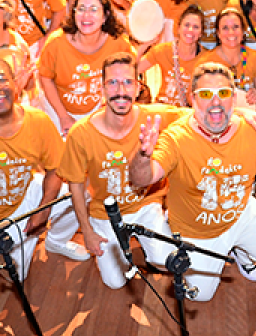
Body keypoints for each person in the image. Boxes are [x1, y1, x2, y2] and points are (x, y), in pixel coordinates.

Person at [129, 62, 256, 302]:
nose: (215, 102)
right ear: (193, 101)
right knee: (201, 296)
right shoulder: (176, 138)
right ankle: (194, 242)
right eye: (206, 94)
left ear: (233, 100)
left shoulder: (250, 132)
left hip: (239, 214)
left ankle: (242, 252)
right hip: (197, 232)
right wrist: (142, 156)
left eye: (224, 93)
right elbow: (142, 178)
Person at [0, 57, 89, 279]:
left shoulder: (38, 121)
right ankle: (16, 237)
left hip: (25, 194)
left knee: (79, 193)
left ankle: (56, 241)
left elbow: (55, 169)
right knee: (16, 276)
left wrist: (44, 210)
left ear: (15, 84)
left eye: (3, 79)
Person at [60, 53, 183, 289]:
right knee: (115, 283)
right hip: (105, 212)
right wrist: (86, 231)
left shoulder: (156, 117)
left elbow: (200, 114)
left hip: (146, 204)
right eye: (113, 82)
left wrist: (248, 116)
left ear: (138, 88)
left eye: (127, 82)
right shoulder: (81, 133)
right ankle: (124, 248)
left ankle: (154, 239)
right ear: (102, 88)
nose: (120, 90)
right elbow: (75, 184)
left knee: (165, 261)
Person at [38, 0, 134, 135]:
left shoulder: (118, 42)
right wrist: (63, 117)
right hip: (57, 109)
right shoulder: (56, 42)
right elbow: (45, 78)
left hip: (97, 109)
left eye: (93, 9)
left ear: (105, 16)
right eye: (81, 9)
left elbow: (132, 68)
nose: (86, 15)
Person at [138, 5, 205, 106]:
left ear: (201, 33)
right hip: (162, 109)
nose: (190, 30)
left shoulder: (206, 59)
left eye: (196, 27)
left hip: (185, 114)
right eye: (186, 25)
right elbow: (134, 70)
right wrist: (144, 46)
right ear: (178, 29)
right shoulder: (163, 50)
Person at [203, 7, 256, 108]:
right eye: (225, 28)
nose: (231, 32)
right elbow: (191, 96)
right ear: (218, 33)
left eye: (236, 27)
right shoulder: (206, 61)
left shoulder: (254, 56)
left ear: (243, 31)